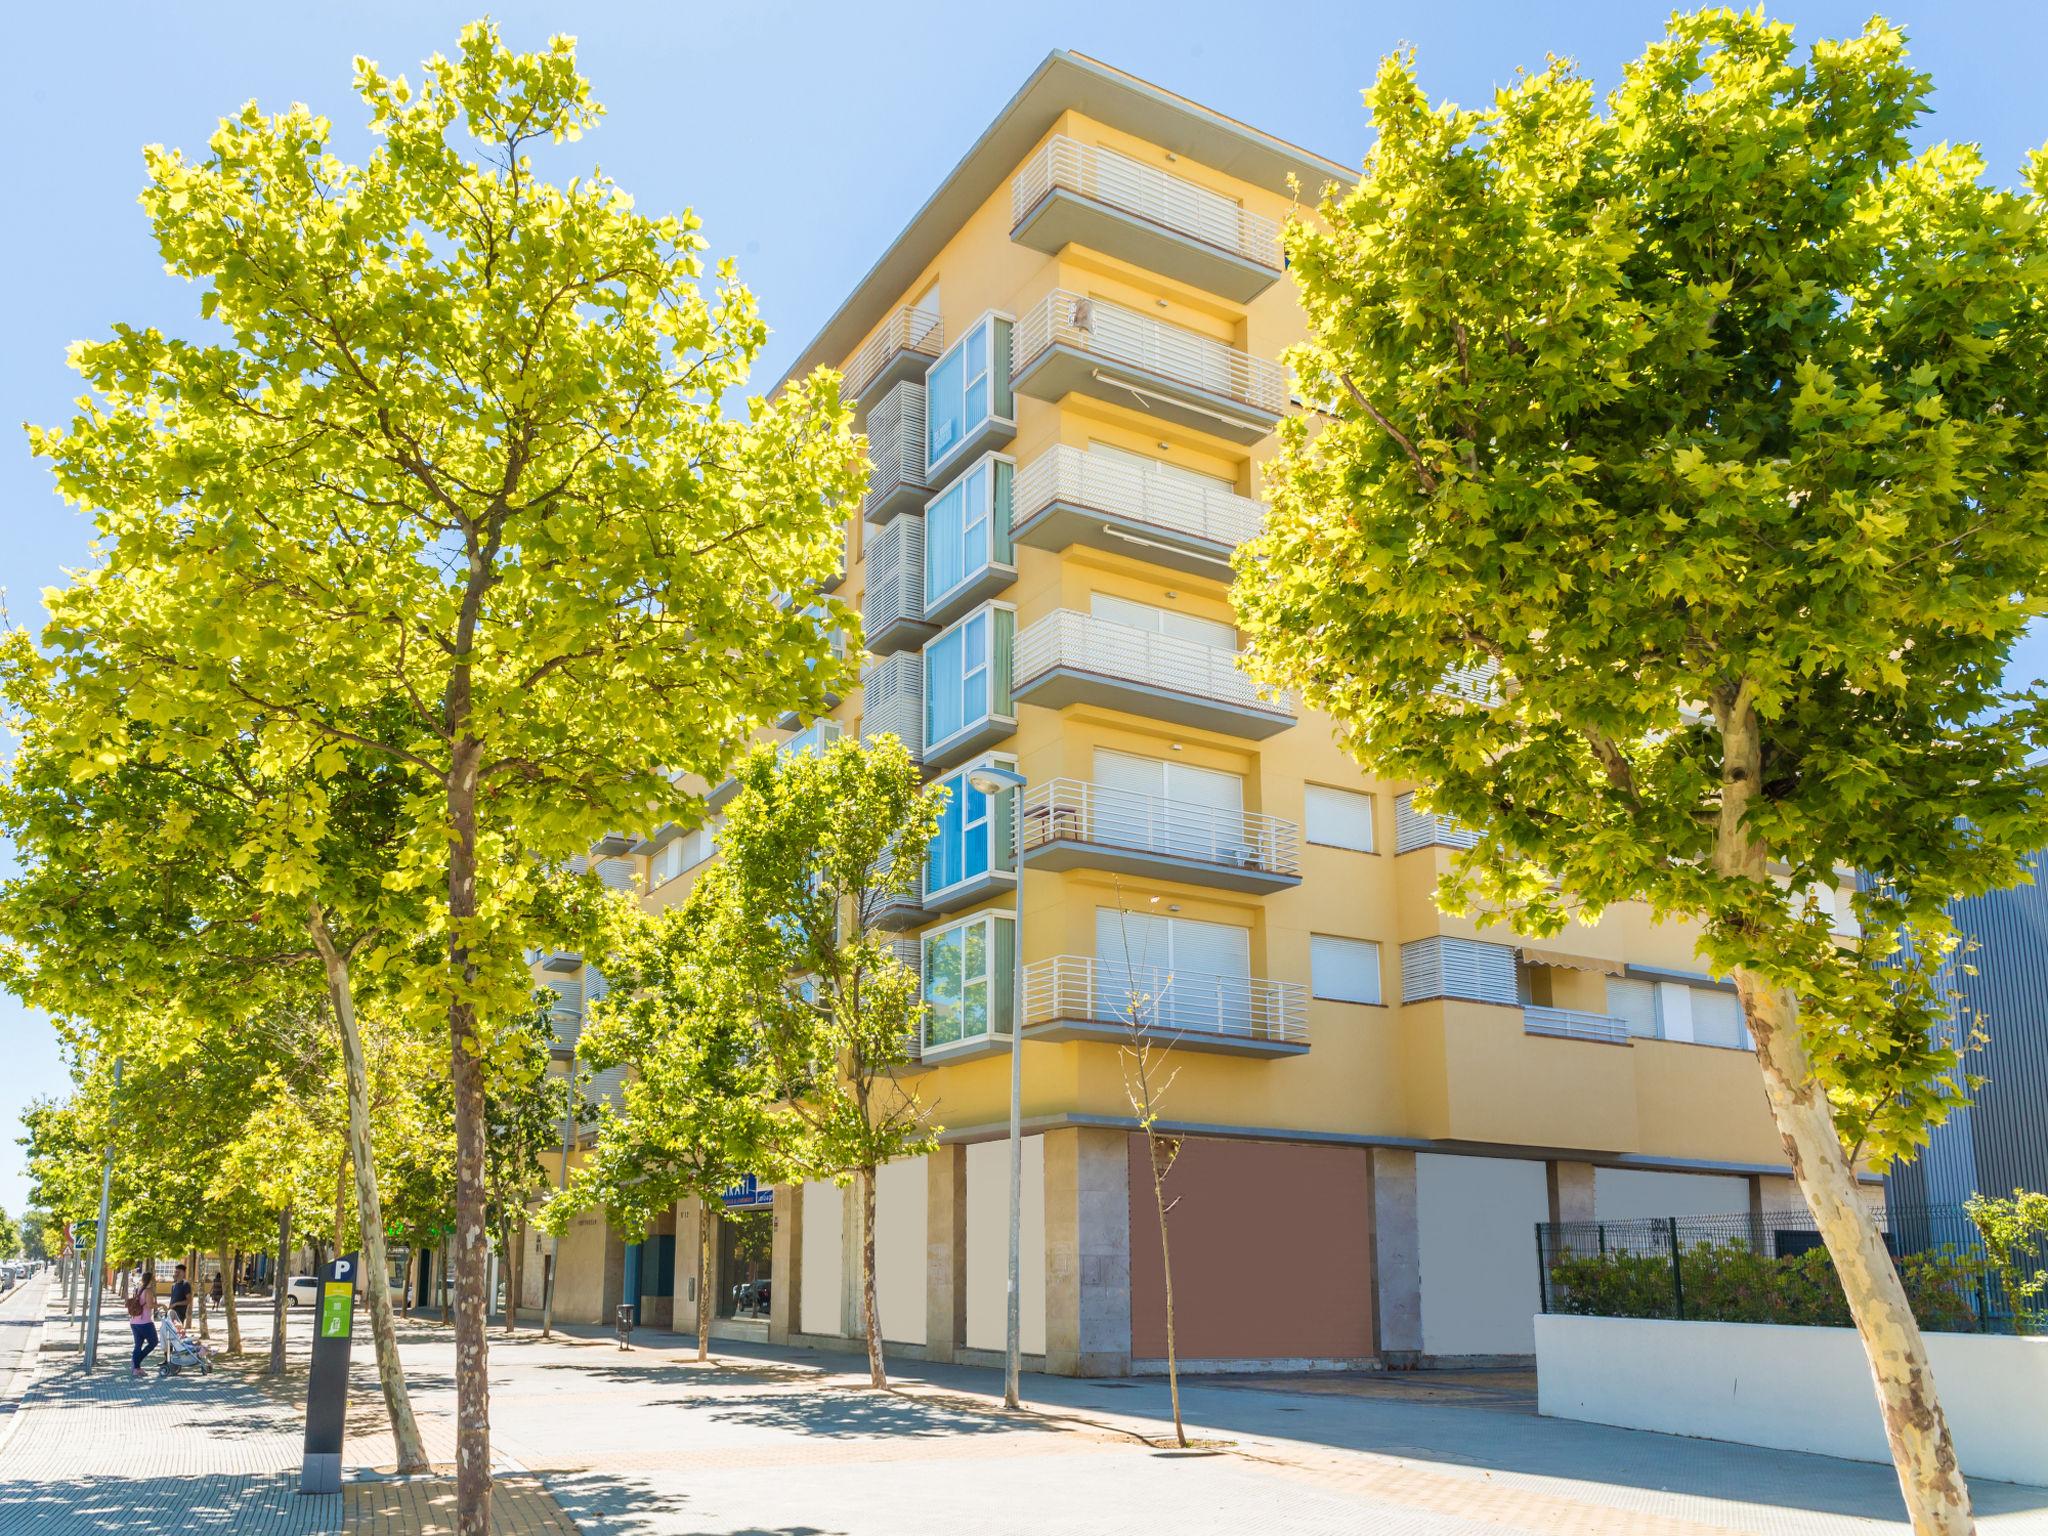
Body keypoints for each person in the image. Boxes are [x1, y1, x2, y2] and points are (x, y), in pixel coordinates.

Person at [126, 1273, 158, 1378]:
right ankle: (136, 1362)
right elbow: (149, 1305)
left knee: (138, 1345)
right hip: (145, 1322)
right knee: (153, 1342)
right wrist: (161, 1305)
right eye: (154, 1278)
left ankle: (136, 1368)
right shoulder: (148, 1291)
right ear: (151, 1280)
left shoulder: (138, 1289)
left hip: (134, 1322)